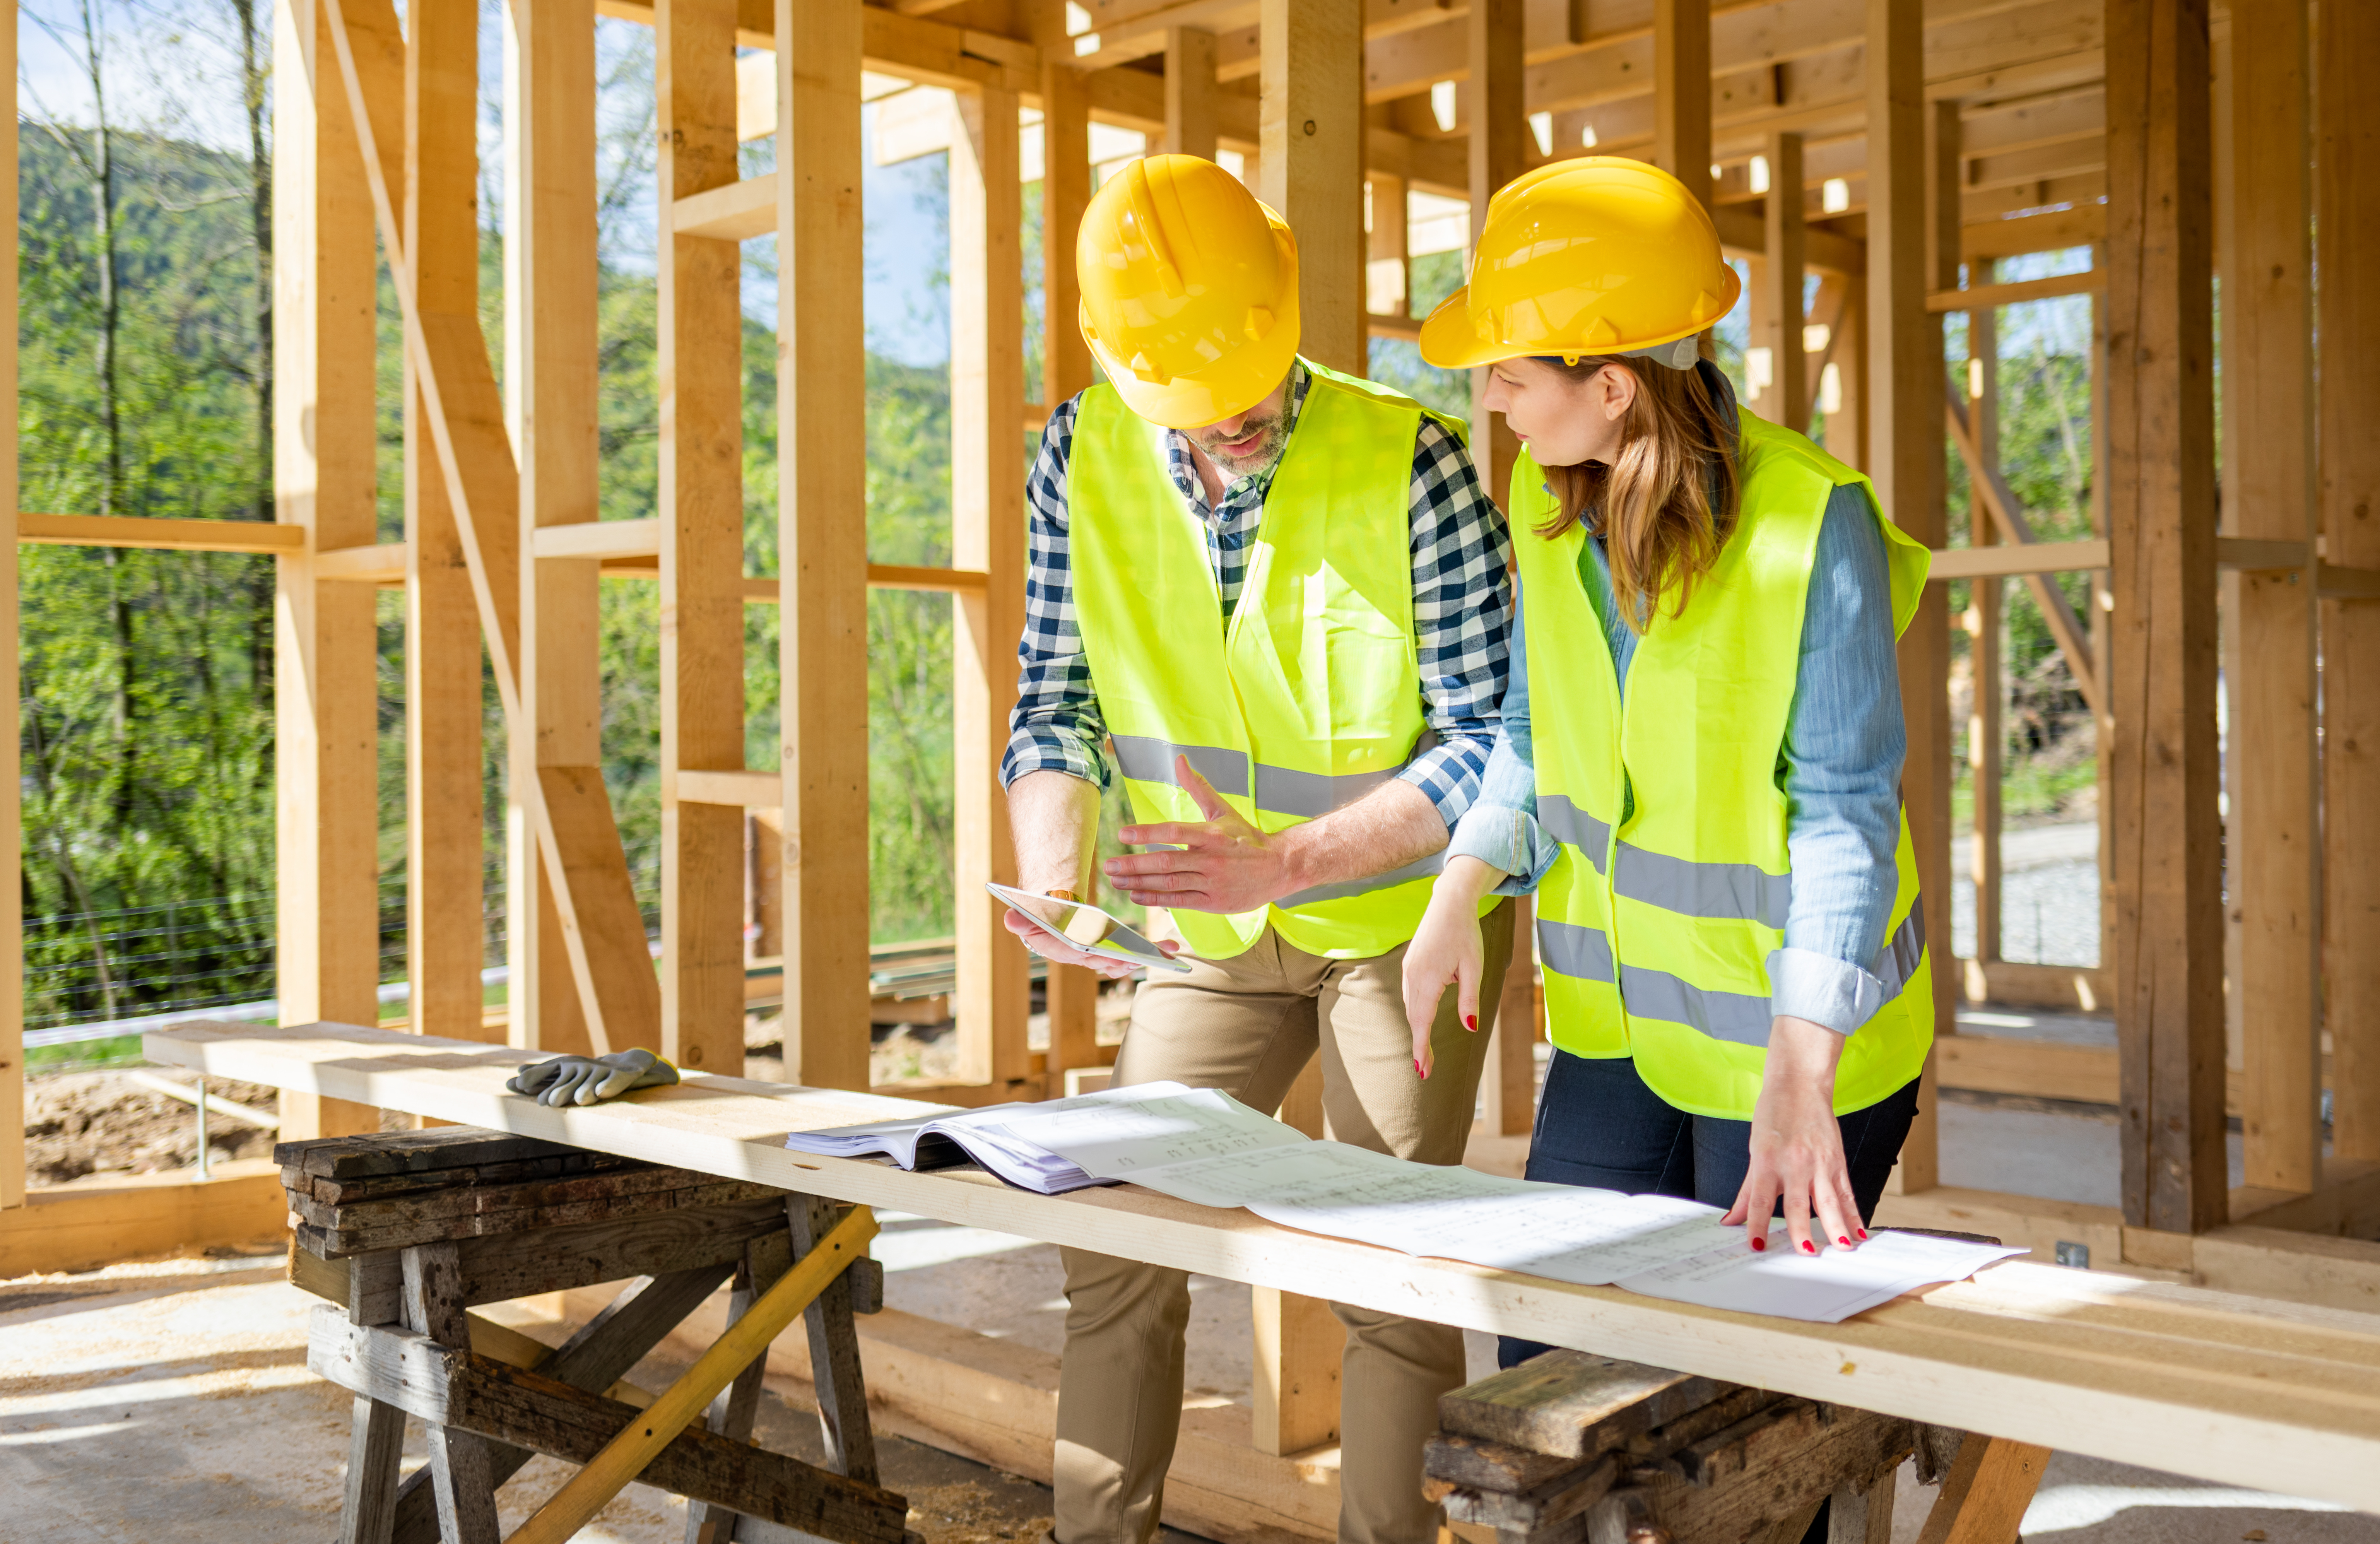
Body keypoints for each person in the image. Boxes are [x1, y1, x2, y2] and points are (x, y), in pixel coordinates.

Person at [1002, 154, 1515, 1544]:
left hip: (1405, 923)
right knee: (1113, 1232)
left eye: (1240, 387)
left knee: (1388, 1264)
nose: (1225, 423)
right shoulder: (1080, 451)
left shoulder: (1412, 461)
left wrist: (1284, 861)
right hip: (1206, 933)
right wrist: (1054, 869)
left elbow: (1493, 745)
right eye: (1191, 401)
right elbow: (1054, 700)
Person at [1400, 158, 1934, 1359]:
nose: (1490, 400)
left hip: (1801, 1039)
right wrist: (1459, 889)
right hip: (1622, 1026)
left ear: (1613, 388)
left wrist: (1804, 1068)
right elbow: (1538, 745)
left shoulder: (1814, 524)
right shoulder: (1554, 521)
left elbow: (1845, 809)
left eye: (1512, 375)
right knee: (1545, 1347)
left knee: (1730, 1387)